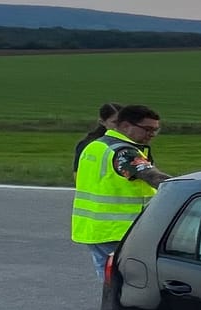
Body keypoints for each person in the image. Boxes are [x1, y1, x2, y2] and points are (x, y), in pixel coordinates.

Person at [70, 104, 170, 279]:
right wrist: (186, 188)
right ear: (125, 126)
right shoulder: (123, 152)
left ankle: (112, 306)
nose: (152, 134)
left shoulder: (96, 146)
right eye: (147, 129)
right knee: (129, 282)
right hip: (119, 230)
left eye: (156, 130)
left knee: (110, 280)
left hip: (95, 229)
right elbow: (154, 178)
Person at [72, 102, 124, 174]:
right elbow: (77, 172)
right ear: (102, 122)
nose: (120, 126)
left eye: (123, 122)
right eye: (114, 122)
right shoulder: (87, 144)